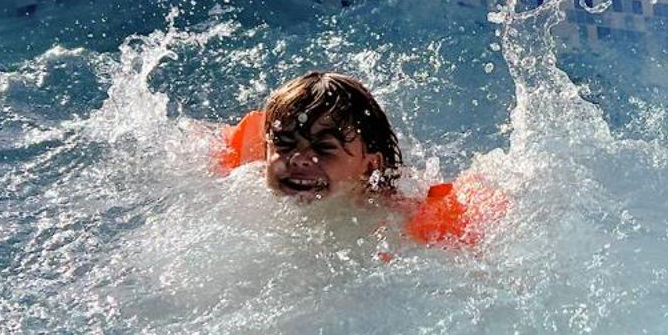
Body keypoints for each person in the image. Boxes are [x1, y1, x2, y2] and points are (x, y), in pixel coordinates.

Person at [208, 70, 504, 248]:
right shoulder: (242, 169)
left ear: (371, 165)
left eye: (323, 149)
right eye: (284, 144)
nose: (298, 159)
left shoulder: (406, 223)